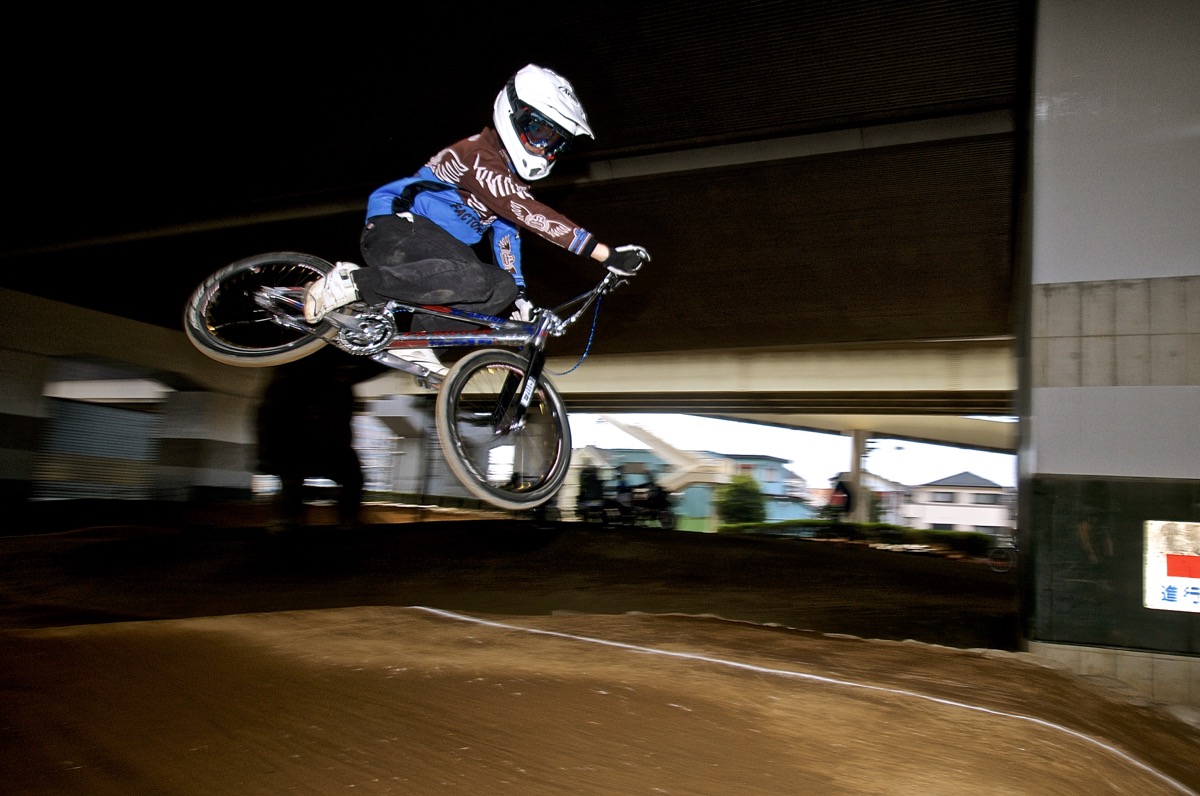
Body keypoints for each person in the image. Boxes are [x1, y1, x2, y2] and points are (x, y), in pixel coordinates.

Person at [303, 63, 650, 379]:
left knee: (499, 286)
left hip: (438, 247)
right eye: (540, 133)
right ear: (514, 114)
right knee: (472, 275)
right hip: (398, 225)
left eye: (555, 143)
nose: (546, 150)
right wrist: (605, 254)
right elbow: (526, 212)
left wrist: (520, 297)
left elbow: (506, 235)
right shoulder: (478, 155)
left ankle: (420, 343)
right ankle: (353, 281)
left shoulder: (509, 180)